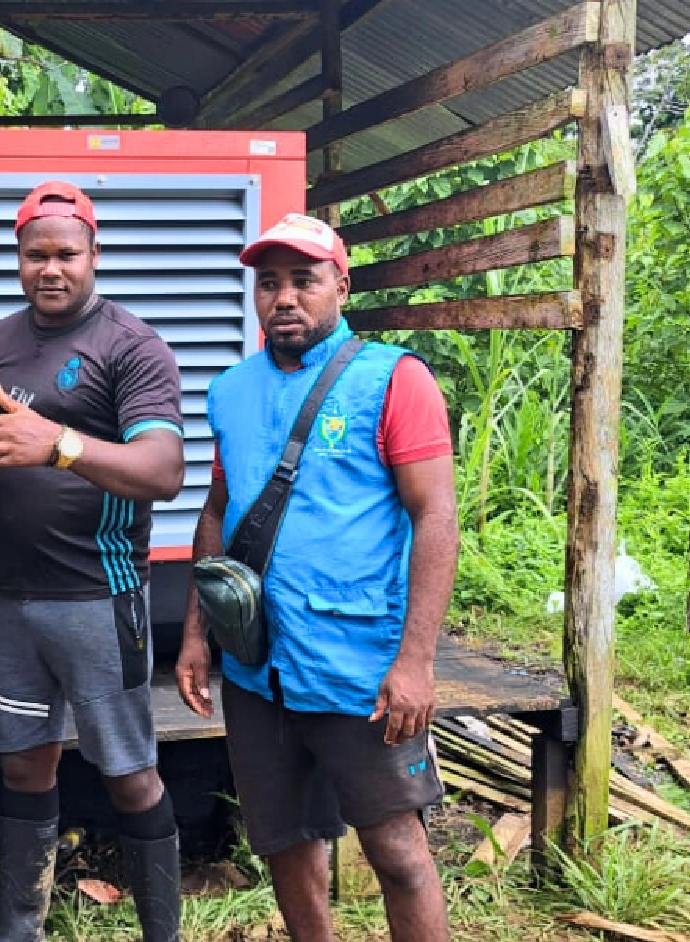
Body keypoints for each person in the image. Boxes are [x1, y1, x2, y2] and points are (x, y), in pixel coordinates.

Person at [175, 213, 458, 942]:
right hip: (256, 664)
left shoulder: (393, 379)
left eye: (302, 280)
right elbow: (218, 512)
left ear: (341, 284)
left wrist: (416, 663)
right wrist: (196, 635)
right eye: (267, 283)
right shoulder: (230, 390)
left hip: (357, 668)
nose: (284, 298)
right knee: (284, 840)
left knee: (396, 851)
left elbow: (435, 520)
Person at [0, 182, 187, 942]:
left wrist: (59, 444)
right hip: (7, 598)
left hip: (96, 596)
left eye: (65, 254)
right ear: (17, 259)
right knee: (22, 764)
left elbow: (161, 469)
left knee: (126, 773)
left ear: (93, 255)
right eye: (34, 255)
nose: (50, 269)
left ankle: (161, 932)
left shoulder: (131, 346)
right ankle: (19, 928)